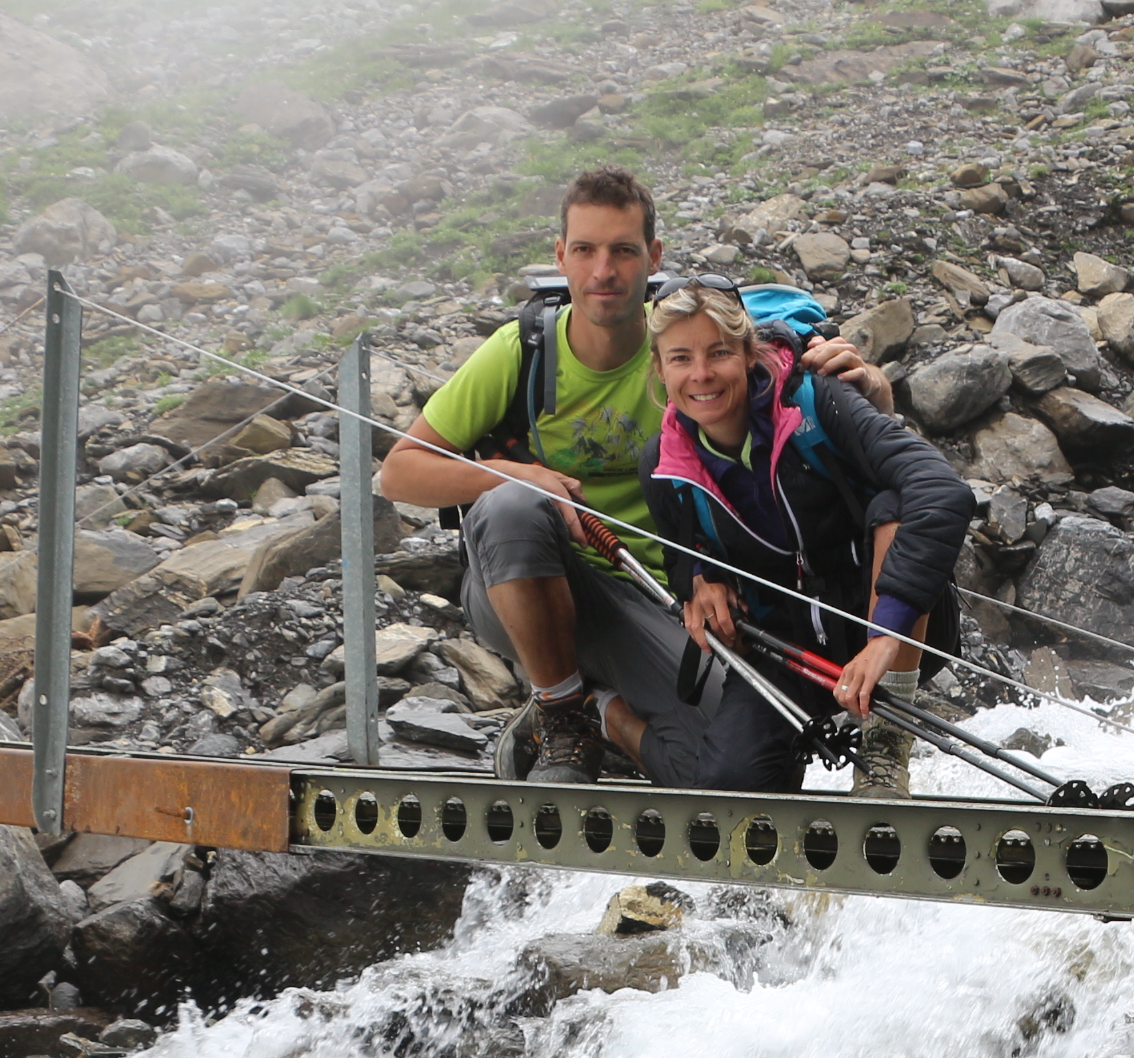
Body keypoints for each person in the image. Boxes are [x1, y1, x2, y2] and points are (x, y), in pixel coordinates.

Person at [374, 165, 893, 786]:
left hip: (665, 598)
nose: (603, 272)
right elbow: (399, 473)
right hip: (526, 583)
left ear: (653, 257)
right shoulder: (523, 352)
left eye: (623, 251)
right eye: (586, 251)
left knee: (726, 772)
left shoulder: (688, 350)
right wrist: (513, 476)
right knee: (511, 505)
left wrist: (876, 392)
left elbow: (798, 423)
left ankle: (602, 712)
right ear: (560, 258)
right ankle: (561, 712)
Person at [631, 282, 975, 794]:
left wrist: (887, 633)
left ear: (749, 354)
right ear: (660, 369)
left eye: (719, 352)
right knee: (730, 786)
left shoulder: (817, 403)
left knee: (895, 503)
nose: (700, 374)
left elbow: (941, 489)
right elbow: (682, 549)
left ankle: (884, 746)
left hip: (888, 626)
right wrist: (699, 578)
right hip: (786, 649)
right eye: (681, 358)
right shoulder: (662, 466)